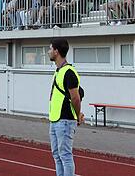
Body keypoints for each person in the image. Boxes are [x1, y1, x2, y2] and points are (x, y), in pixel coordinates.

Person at [47, 38, 83, 176]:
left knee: (65, 155)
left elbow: (76, 97)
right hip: (55, 119)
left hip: (65, 120)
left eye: (50, 49)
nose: (48, 51)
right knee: (57, 155)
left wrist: (78, 114)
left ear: (56, 51)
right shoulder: (59, 71)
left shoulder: (69, 72)